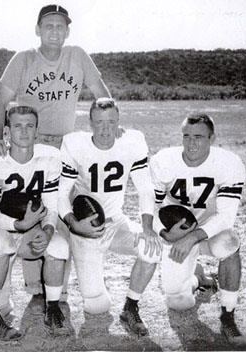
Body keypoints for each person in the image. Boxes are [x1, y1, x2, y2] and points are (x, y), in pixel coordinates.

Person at [0, 4, 112, 312]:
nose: (55, 31)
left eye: (60, 26)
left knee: (60, 212)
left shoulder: (78, 56)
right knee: (28, 208)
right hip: (30, 144)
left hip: (64, 145)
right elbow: (1, 100)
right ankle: (31, 285)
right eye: (48, 26)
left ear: (67, 31)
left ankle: (55, 282)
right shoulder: (24, 59)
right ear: (38, 30)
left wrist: (110, 123)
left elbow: (101, 93)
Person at [58, 98, 162, 336]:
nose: (106, 129)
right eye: (100, 122)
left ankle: (131, 307)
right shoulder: (75, 144)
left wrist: (147, 227)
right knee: (97, 307)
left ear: (119, 122)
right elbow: (61, 195)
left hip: (116, 224)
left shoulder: (132, 142)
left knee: (151, 248)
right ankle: (94, 280)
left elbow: (145, 189)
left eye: (111, 122)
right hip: (86, 229)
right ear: (90, 123)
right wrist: (75, 224)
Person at [150, 113, 246, 347]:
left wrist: (193, 237)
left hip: (209, 232)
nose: (191, 143)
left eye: (199, 137)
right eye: (186, 136)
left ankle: (228, 316)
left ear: (212, 138)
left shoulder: (229, 163)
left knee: (229, 243)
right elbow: (149, 209)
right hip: (177, 235)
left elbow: (225, 216)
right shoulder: (164, 160)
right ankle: (200, 279)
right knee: (178, 301)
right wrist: (164, 234)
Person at [0, 105, 70, 338]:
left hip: (29, 233)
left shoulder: (50, 158)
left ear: (37, 131)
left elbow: (51, 204)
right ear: (7, 130)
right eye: (17, 126)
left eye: (30, 126)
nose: (24, 132)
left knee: (58, 246)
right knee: (3, 308)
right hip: (0, 233)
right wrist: (18, 225)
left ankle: (53, 308)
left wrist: (47, 231)